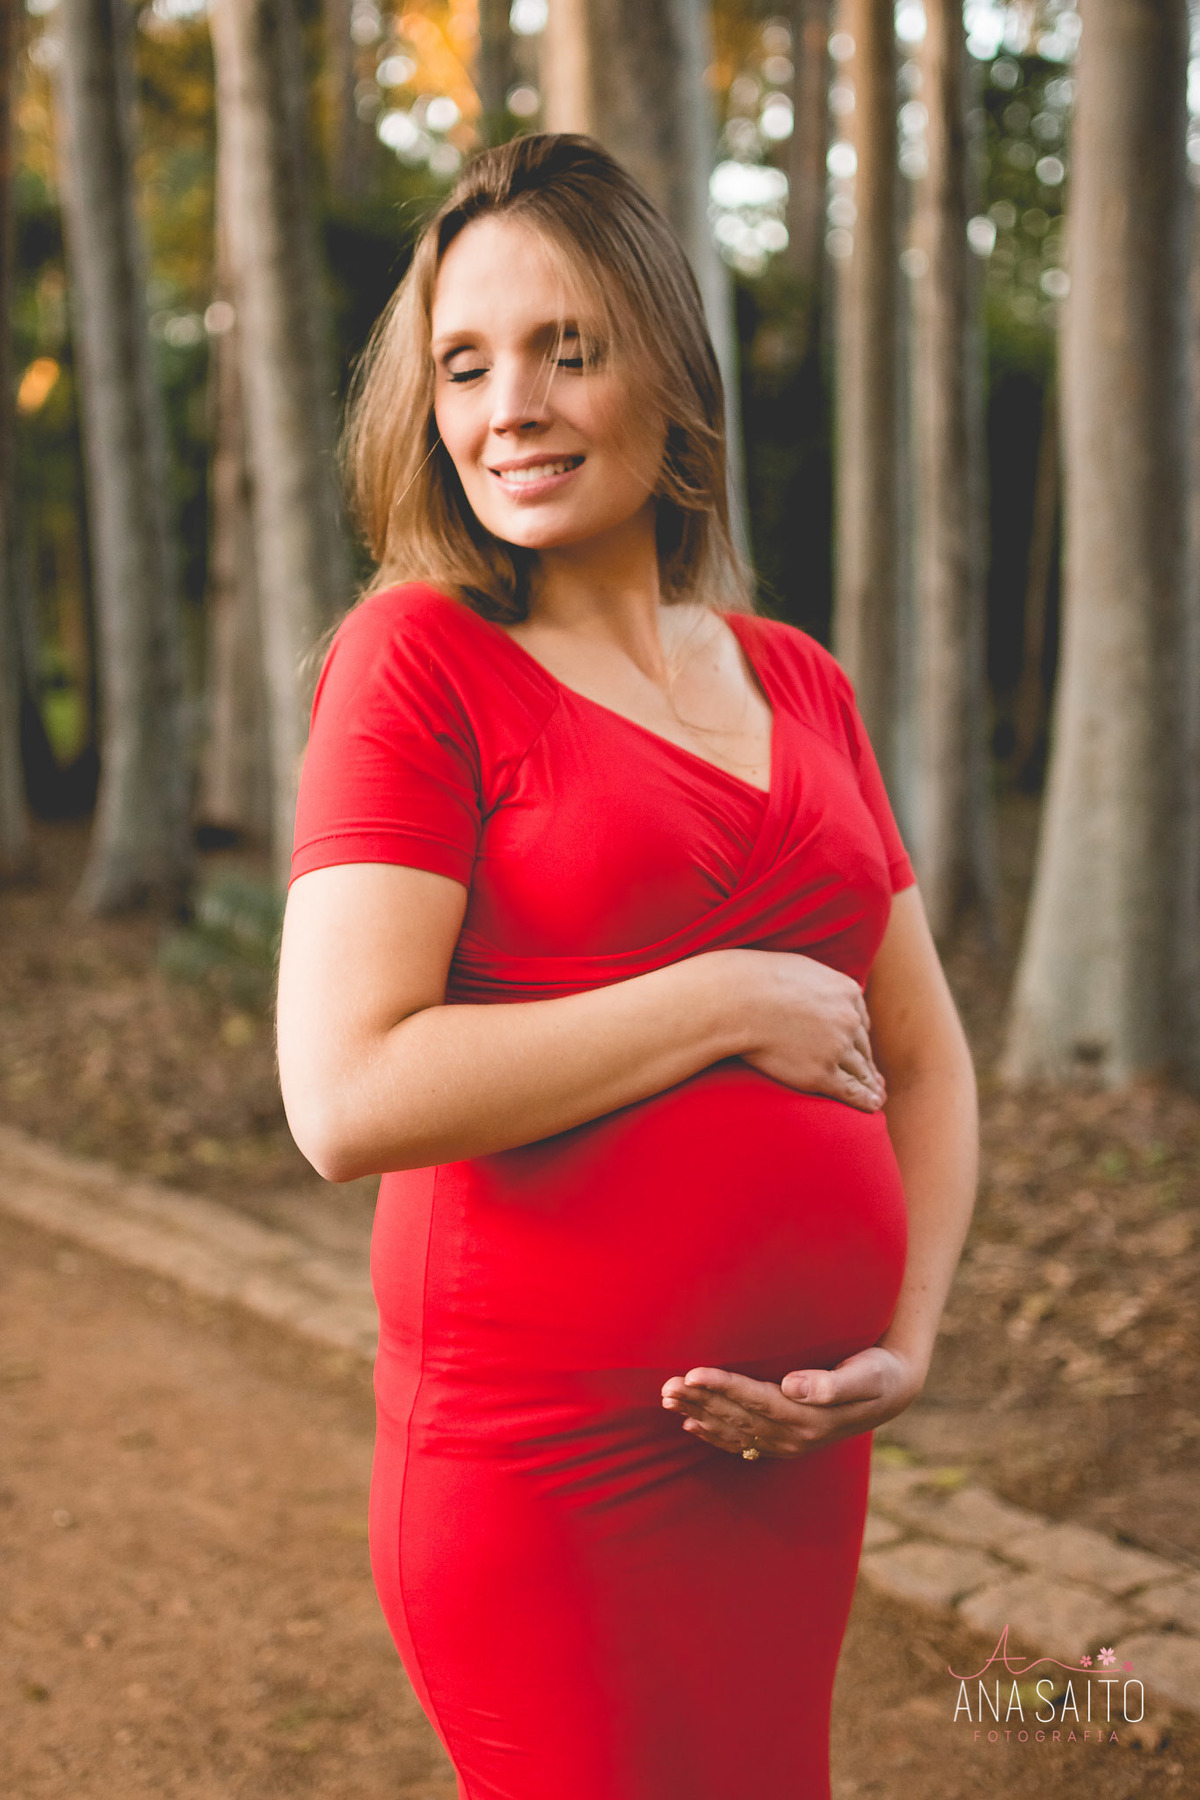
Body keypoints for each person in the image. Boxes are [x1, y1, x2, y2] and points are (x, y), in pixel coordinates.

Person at [276, 133, 978, 1800]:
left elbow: (928, 1059)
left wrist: (907, 1342)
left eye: (563, 348)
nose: (507, 404)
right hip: (544, 1476)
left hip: (791, 1461)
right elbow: (346, 1091)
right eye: (465, 363)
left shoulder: (801, 684)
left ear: (667, 370)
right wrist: (724, 995)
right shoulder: (420, 660)